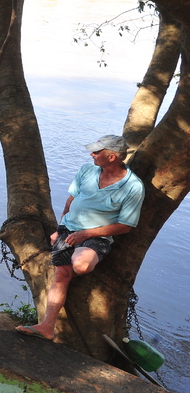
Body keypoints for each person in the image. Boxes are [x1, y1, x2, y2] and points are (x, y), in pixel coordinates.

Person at [17, 134, 145, 341]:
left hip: (96, 236)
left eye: (97, 151)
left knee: (81, 266)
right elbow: (71, 200)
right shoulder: (87, 170)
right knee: (61, 275)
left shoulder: (133, 187)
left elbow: (125, 226)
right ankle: (47, 327)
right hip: (68, 230)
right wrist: (59, 229)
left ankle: (71, 268)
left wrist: (86, 234)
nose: (91, 154)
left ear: (112, 157)